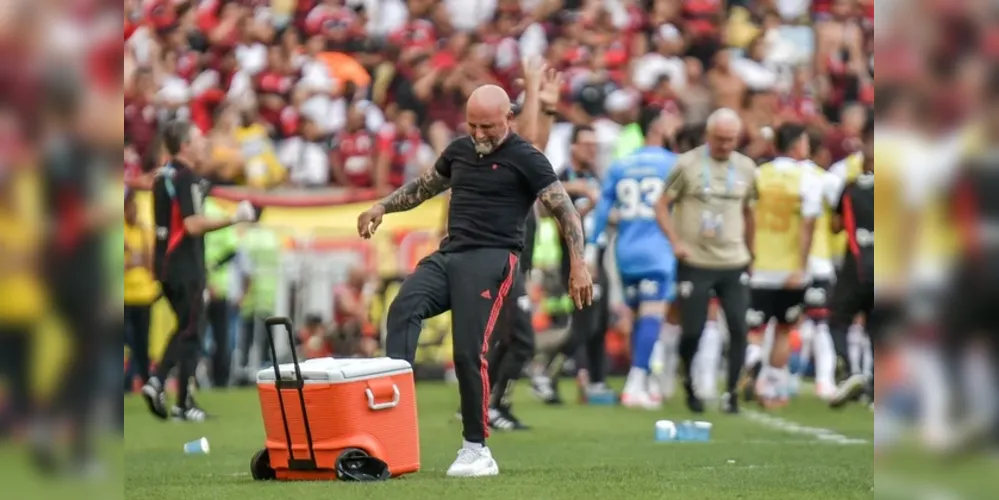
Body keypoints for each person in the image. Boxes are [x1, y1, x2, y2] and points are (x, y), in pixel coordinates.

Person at [356, 84, 592, 477]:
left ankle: (476, 449)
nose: (479, 134)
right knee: (403, 307)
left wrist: (578, 264)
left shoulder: (526, 158)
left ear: (509, 119)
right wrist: (383, 205)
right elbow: (424, 186)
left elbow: (565, 211)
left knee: (468, 352)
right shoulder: (459, 150)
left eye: (488, 126)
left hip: (492, 259)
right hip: (451, 254)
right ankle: (391, 416)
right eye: (473, 125)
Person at [142, 120, 257, 422]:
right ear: (184, 146)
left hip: (165, 265)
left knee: (189, 328)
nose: (203, 143)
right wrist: (235, 218)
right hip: (186, 264)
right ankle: (161, 383)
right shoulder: (185, 177)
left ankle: (181, 399)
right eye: (198, 139)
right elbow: (192, 225)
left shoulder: (162, 177)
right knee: (192, 328)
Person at [654, 108, 757, 414]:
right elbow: (661, 205)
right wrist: (675, 242)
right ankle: (690, 385)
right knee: (692, 331)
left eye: (731, 139)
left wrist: (752, 252)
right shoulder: (687, 164)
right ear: (709, 135)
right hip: (696, 261)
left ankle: (732, 395)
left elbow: (750, 212)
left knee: (739, 327)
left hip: (733, 260)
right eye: (720, 139)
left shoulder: (748, 168)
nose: (725, 145)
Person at [586, 107, 680, 410]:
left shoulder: (621, 164)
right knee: (653, 315)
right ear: (657, 127)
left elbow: (602, 208)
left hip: (625, 249)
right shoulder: (672, 164)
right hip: (657, 248)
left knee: (638, 317)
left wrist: (591, 247)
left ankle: (646, 379)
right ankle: (635, 382)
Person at [532, 124, 613, 406]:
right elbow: (549, 212)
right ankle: (546, 372)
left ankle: (595, 380)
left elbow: (605, 216)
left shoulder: (596, 177)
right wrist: (578, 195)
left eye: (595, 145)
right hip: (576, 261)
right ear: (573, 147)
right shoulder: (563, 177)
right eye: (587, 144)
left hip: (598, 255)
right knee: (584, 324)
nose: (592, 149)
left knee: (599, 323)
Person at [743, 123, 823, 407]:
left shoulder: (758, 174)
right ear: (799, 143)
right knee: (784, 329)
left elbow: (747, 216)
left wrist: (749, 256)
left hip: (759, 265)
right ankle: (773, 389)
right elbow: (808, 225)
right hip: (790, 268)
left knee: (755, 330)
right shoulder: (808, 177)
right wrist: (801, 266)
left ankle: (752, 362)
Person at [827, 117, 878, 408]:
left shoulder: (850, 186)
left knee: (837, 321)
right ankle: (875, 389)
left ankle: (850, 370)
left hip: (857, 265)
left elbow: (835, 225)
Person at [124, 189, 159, 389]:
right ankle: (126, 379)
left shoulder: (143, 232)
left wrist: (135, 258)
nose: (135, 211)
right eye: (131, 206)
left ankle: (144, 379)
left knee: (142, 342)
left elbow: (149, 261)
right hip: (124, 296)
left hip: (144, 295)